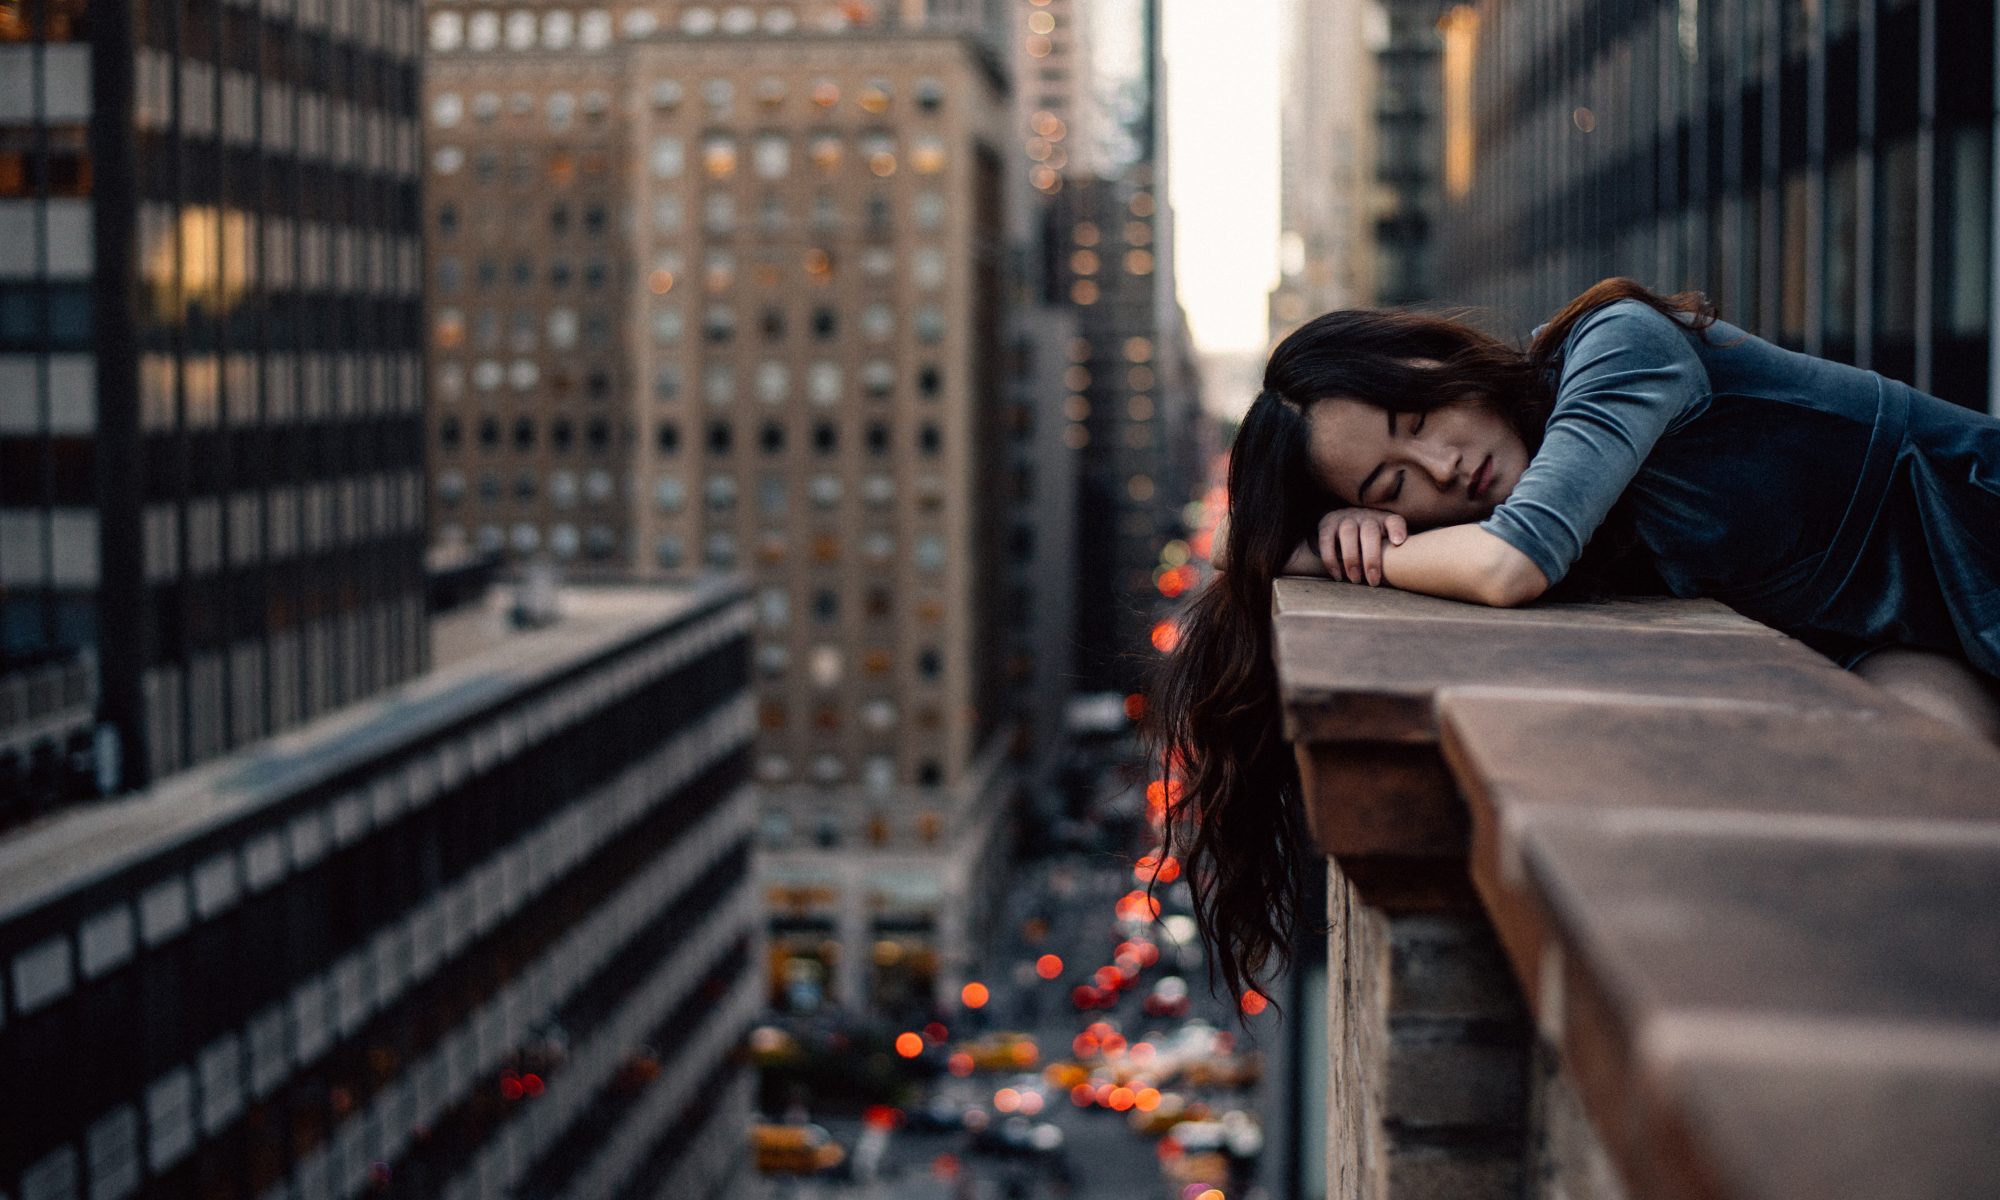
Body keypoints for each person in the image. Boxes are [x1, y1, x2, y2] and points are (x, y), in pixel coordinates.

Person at [1151, 277, 2000, 1005]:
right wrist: (1325, 533)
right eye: (1393, 483)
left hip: (1979, 544)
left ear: (1443, 359)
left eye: (1418, 415)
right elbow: (1234, 548)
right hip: (1903, 636)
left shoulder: (1617, 346)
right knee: (1923, 813)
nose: (1443, 467)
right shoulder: (1555, 495)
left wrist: (1331, 552)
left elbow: (1512, 564)